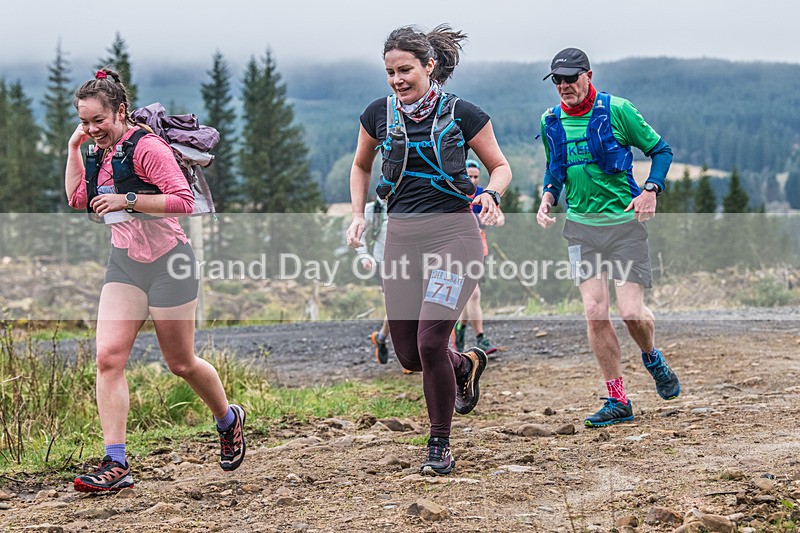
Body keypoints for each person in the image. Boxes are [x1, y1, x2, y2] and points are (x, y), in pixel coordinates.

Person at [64, 69, 246, 492]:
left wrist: (128, 198)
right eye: (85, 123)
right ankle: (117, 463)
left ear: (120, 112)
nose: (92, 130)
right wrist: (75, 148)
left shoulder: (148, 148)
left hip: (170, 263)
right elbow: (79, 198)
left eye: (99, 122)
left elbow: (184, 200)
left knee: (180, 363)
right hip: (125, 263)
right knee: (108, 358)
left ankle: (227, 418)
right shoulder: (95, 151)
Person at [346, 25, 512, 476]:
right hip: (401, 238)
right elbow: (361, 166)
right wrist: (359, 214)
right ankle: (465, 366)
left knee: (431, 340)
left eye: (405, 70)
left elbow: (499, 167)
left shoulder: (463, 113)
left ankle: (439, 443)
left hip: (453, 238)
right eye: (390, 72)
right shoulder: (378, 114)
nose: (397, 79)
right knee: (408, 354)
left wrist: (491, 195)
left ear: (429, 66)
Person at [535, 48, 680, 428]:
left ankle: (651, 356)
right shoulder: (551, 121)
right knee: (595, 312)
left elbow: (661, 151)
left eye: (571, 78)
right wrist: (548, 199)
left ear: (588, 75)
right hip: (581, 227)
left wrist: (650, 189)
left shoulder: (618, 110)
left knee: (631, 313)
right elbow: (556, 169)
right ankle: (618, 399)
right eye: (558, 80)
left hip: (623, 225)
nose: (565, 86)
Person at [453, 159, 504, 355]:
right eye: (469, 176)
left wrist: (493, 219)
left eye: (476, 176)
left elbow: (500, 217)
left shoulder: (483, 194)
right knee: (473, 294)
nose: (473, 180)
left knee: (470, 296)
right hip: (456, 251)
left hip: (478, 252)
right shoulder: (455, 192)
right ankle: (481, 337)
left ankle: (460, 328)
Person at [354, 197, 400, 369]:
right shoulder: (372, 209)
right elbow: (360, 235)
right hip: (384, 264)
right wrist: (365, 257)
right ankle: (408, 354)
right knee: (399, 308)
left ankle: (381, 337)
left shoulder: (408, 201)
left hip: (410, 262)